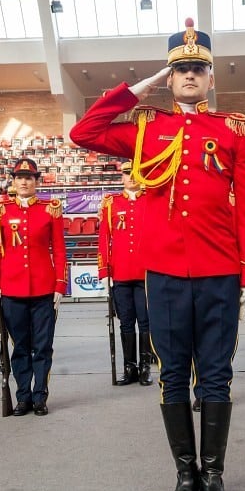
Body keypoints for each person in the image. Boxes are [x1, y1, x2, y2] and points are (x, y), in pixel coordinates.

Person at [69, 19, 245, 491]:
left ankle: (214, 475)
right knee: (172, 375)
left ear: (211, 78)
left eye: (199, 68)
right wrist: (140, 88)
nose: (191, 76)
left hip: (220, 269)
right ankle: (185, 474)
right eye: (181, 70)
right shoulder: (145, 126)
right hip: (167, 273)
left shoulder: (233, 130)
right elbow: (83, 132)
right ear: (170, 78)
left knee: (216, 376)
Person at [0, 159, 67, 417]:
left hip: (44, 288)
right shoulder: (0, 210)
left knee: (43, 346)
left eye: (29, 177)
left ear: (37, 181)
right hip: (12, 289)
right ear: (13, 181)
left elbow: (58, 249)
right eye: (20, 177)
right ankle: (22, 396)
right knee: (20, 346)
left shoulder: (50, 210)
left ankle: (40, 396)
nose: (24, 181)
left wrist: (60, 284)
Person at [97, 162, 152, 387]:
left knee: (146, 322)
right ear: (122, 177)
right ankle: (129, 366)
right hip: (120, 272)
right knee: (126, 323)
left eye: (136, 173)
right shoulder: (111, 203)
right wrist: (104, 270)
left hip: (146, 272)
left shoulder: (150, 199)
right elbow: (104, 239)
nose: (131, 177)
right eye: (128, 173)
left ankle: (146, 366)